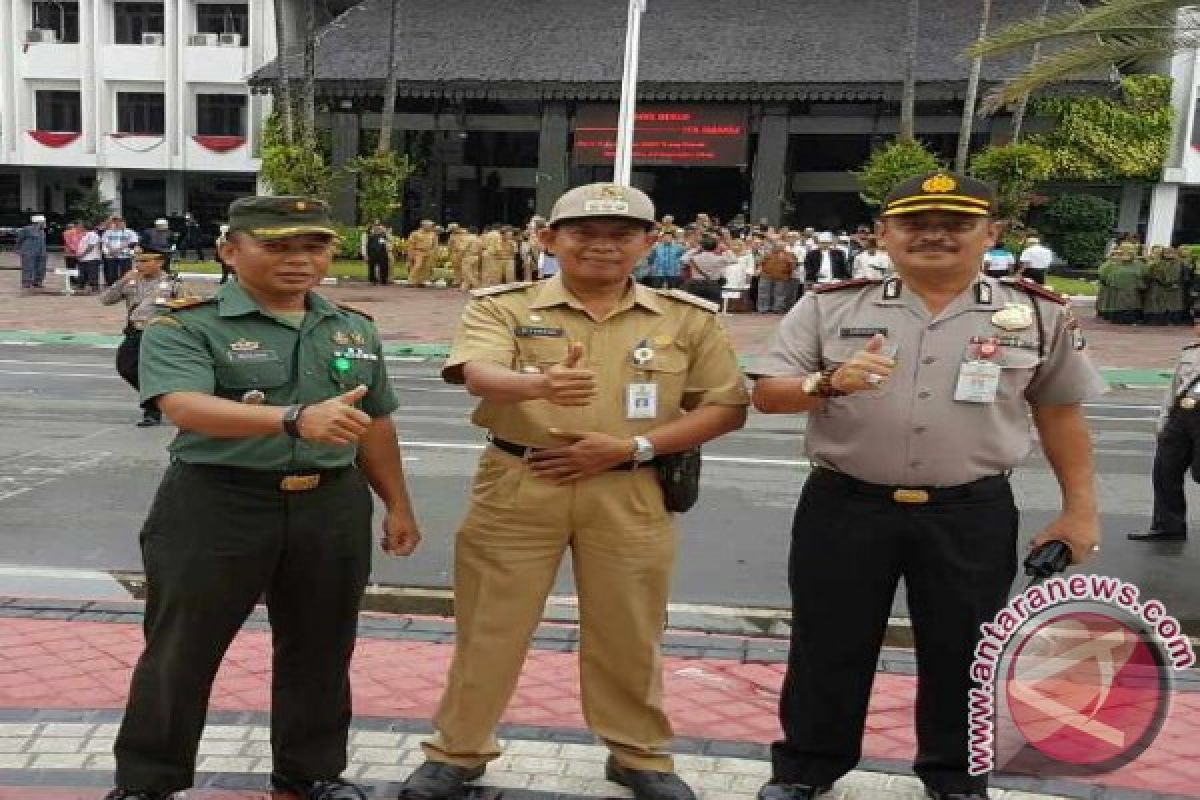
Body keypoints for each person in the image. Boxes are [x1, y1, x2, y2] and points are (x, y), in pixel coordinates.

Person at [749, 171, 1105, 800]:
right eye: (914, 223)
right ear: (884, 233)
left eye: (957, 223)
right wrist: (829, 382)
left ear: (991, 233)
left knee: (966, 652)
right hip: (846, 505)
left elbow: (1061, 414)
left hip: (971, 510)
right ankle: (806, 769)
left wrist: (1079, 513)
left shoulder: (1037, 315)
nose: (934, 234)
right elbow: (766, 393)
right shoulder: (829, 305)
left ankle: (956, 778)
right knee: (827, 644)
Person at [399, 183, 749, 800]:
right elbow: (477, 371)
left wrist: (635, 447)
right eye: (584, 233)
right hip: (520, 480)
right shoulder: (505, 304)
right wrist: (536, 388)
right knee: (490, 625)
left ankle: (639, 755)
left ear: (649, 243)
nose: (602, 246)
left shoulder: (687, 318)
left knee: (630, 629)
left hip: (630, 486)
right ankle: (459, 750)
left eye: (621, 234)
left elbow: (725, 408)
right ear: (549, 239)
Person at [105, 196, 422, 800]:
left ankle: (310, 775)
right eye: (277, 246)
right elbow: (182, 405)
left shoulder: (353, 327)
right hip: (215, 504)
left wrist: (397, 505)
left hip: (330, 505)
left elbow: (376, 422)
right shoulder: (184, 322)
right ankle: (148, 782)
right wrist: (293, 419)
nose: (300, 260)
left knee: (322, 648)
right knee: (181, 649)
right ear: (230, 251)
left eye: (315, 246)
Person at [1128, 325, 1200, 542]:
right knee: (1165, 471)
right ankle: (1168, 526)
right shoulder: (1190, 352)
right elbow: (1173, 388)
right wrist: (1164, 419)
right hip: (1182, 415)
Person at [100, 250, 179, 426]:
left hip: (160, 334)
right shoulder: (131, 281)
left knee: (152, 371)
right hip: (136, 332)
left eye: (145, 261)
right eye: (137, 261)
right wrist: (122, 281)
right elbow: (105, 300)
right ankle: (159, 399)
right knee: (126, 367)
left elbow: (188, 308)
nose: (139, 265)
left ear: (159, 262)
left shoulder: (172, 284)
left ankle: (152, 410)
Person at [681, 235, 734, 304]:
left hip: (695, 284)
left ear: (702, 246)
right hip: (712, 285)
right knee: (712, 308)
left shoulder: (694, 258)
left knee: (695, 307)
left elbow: (683, 259)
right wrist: (727, 249)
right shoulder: (718, 259)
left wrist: (696, 249)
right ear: (715, 247)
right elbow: (734, 260)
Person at [1143, 247, 1184, 326]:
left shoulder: (1180, 264)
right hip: (1160, 287)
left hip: (1175, 287)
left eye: (1171, 253)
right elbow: (1151, 274)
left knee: (1174, 306)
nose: (1169, 255)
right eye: (1166, 253)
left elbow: (1181, 276)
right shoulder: (1158, 263)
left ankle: (1172, 321)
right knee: (1160, 305)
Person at [757, 237, 799, 314]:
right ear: (774, 246)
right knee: (763, 293)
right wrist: (760, 270)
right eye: (777, 245)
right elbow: (760, 263)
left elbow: (794, 265)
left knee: (780, 294)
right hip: (766, 276)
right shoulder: (767, 254)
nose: (779, 247)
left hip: (782, 277)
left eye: (781, 246)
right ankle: (762, 309)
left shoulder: (789, 254)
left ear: (784, 246)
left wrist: (790, 268)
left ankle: (778, 309)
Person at [1108, 245, 1147, 325]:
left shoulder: (1139, 265)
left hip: (1133, 290)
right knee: (1119, 304)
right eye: (1124, 254)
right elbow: (1110, 277)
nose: (1126, 256)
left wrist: (1141, 285)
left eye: (1129, 254)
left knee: (1131, 304)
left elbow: (1145, 275)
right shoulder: (1116, 265)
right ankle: (1118, 319)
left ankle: (1131, 320)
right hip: (1119, 290)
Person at [102, 216, 140, 286]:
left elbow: (133, 242)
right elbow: (105, 242)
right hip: (111, 256)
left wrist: (119, 249)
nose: (117, 223)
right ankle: (112, 288)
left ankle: (125, 288)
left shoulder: (130, 232)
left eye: (119, 221)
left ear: (123, 222)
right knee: (111, 274)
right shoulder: (108, 232)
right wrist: (111, 250)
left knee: (125, 274)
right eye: (115, 221)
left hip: (125, 256)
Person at [15, 214, 48, 290]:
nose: (45, 223)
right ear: (39, 222)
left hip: (41, 252)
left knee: (41, 268)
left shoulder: (42, 231)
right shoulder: (26, 229)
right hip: (28, 252)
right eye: (44, 222)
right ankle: (26, 282)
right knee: (28, 267)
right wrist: (18, 249)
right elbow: (19, 239)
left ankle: (38, 282)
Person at [406, 220, 440, 287]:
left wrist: (435, 252)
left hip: (429, 252)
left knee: (425, 267)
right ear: (423, 226)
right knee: (417, 266)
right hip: (418, 251)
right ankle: (411, 281)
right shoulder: (415, 233)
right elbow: (411, 244)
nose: (431, 227)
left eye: (431, 226)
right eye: (429, 225)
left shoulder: (433, 234)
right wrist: (410, 254)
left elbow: (435, 244)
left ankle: (420, 281)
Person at [362, 221, 395, 286]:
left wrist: (385, 232)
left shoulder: (383, 234)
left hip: (382, 253)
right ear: (373, 226)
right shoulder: (369, 234)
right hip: (372, 253)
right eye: (375, 225)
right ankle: (372, 280)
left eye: (378, 225)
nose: (377, 227)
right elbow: (366, 245)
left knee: (384, 266)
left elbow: (390, 240)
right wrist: (365, 255)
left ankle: (383, 280)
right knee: (372, 267)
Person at [77, 223, 105, 293]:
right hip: (83, 259)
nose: (78, 228)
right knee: (83, 274)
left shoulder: (93, 235)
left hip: (92, 258)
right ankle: (84, 287)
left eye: (80, 227)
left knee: (92, 274)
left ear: (84, 227)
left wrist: (82, 254)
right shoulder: (84, 235)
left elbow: (91, 246)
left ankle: (94, 288)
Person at [63, 221, 86, 290]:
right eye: (80, 225)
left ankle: (78, 281)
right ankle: (73, 281)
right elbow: (68, 243)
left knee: (78, 268)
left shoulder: (82, 233)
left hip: (78, 253)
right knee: (71, 268)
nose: (81, 227)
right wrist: (77, 250)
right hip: (70, 254)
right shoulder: (67, 233)